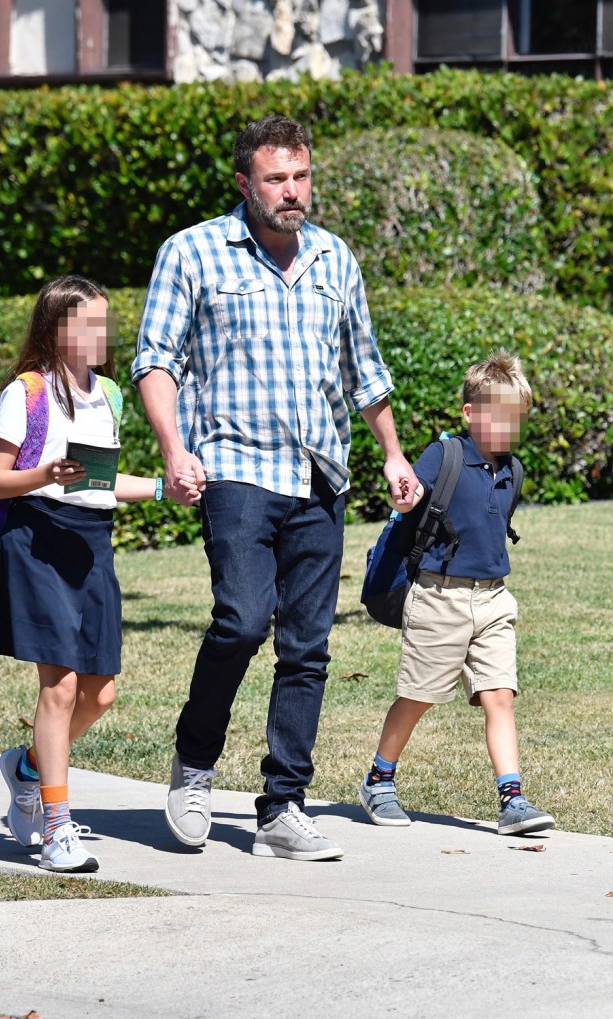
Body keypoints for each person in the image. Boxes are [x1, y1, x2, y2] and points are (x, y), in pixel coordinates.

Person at [131, 115, 417, 861]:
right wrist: (172, 449)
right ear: (243, 184)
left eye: (301, 177)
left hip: (318, 472)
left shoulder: (334, 258)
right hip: (234, 466)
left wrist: (393, 453)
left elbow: (366, 370)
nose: (292, 193)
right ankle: (194, 762)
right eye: (275, 179)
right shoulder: (192, 252)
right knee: (242, 618)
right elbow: (154, 361)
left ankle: (282, 804)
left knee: (308, 646)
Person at [0, 274, 199, 873]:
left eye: (106, 322)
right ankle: (56, 828)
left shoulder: (108, 392)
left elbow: (100, 481)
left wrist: (164, 488)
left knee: (99, 693)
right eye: (89, 323)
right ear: (57, 329)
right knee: (56, 686)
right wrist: (45, 474)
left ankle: (27, 767)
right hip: (37, 539)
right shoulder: (25, 392)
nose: (103, 333)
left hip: (92, 545)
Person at [359, 350, 555, 836]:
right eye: (501, 418)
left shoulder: (514, 470)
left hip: (493, 600)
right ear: (470, 413)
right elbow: (411, 495)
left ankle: (512, 798)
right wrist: (404, 496)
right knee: (418, 696)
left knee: (500, 696)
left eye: (518, 420)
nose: (510, 429)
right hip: (438, 597)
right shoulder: (442, 456)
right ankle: (379, 780)